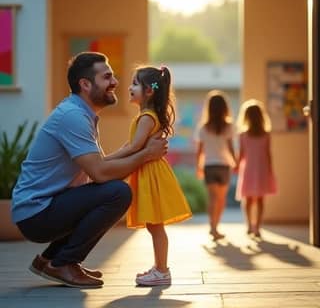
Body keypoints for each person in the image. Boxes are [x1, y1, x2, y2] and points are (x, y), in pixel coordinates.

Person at [11, 52, 167, 289]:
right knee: (118, 192)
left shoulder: (82, 114)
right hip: (37, 212)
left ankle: (49, 260)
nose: (115, 82)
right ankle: (64, 262)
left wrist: (138, 151)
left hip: (46, 206)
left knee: (109, 190)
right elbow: (102, 173)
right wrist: (146, 154)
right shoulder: (73, 116)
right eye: (106, 77)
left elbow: (102, 164)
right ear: (85, 84)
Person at [105, 65, 192, 286]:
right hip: (149, 173)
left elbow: (134, 147)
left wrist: (106, 160)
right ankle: (160, 268)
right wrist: (110, 157)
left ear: (149, 91)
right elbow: (132, 145)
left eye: (135, 84)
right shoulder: (146, 116)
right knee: (155, 225)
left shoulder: (146, 117)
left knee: (155, 225)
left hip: (151, 175)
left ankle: (162, 270)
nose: (129, 87)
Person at [195, 90, 236, 241]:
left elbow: (199, 151)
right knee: (221, 199)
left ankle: (212, 227)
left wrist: (198, 167)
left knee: (212, 198)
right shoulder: (229, 126)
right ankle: (216, 227)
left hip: (209, 166)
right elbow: (231, 147)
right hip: (224, 165)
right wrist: (236, 162)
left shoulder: (203, 127)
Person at [235, 99, 277, 238]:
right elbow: (268, 154)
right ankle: (257, 227)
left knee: (247, 200)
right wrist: (270, 170)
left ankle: (249, 225)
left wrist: (236, 166)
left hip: (248, 170)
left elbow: (241, 154)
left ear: (246, 116)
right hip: (262, 169)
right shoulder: (265, 134)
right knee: (259, 200)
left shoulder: (243, 135)